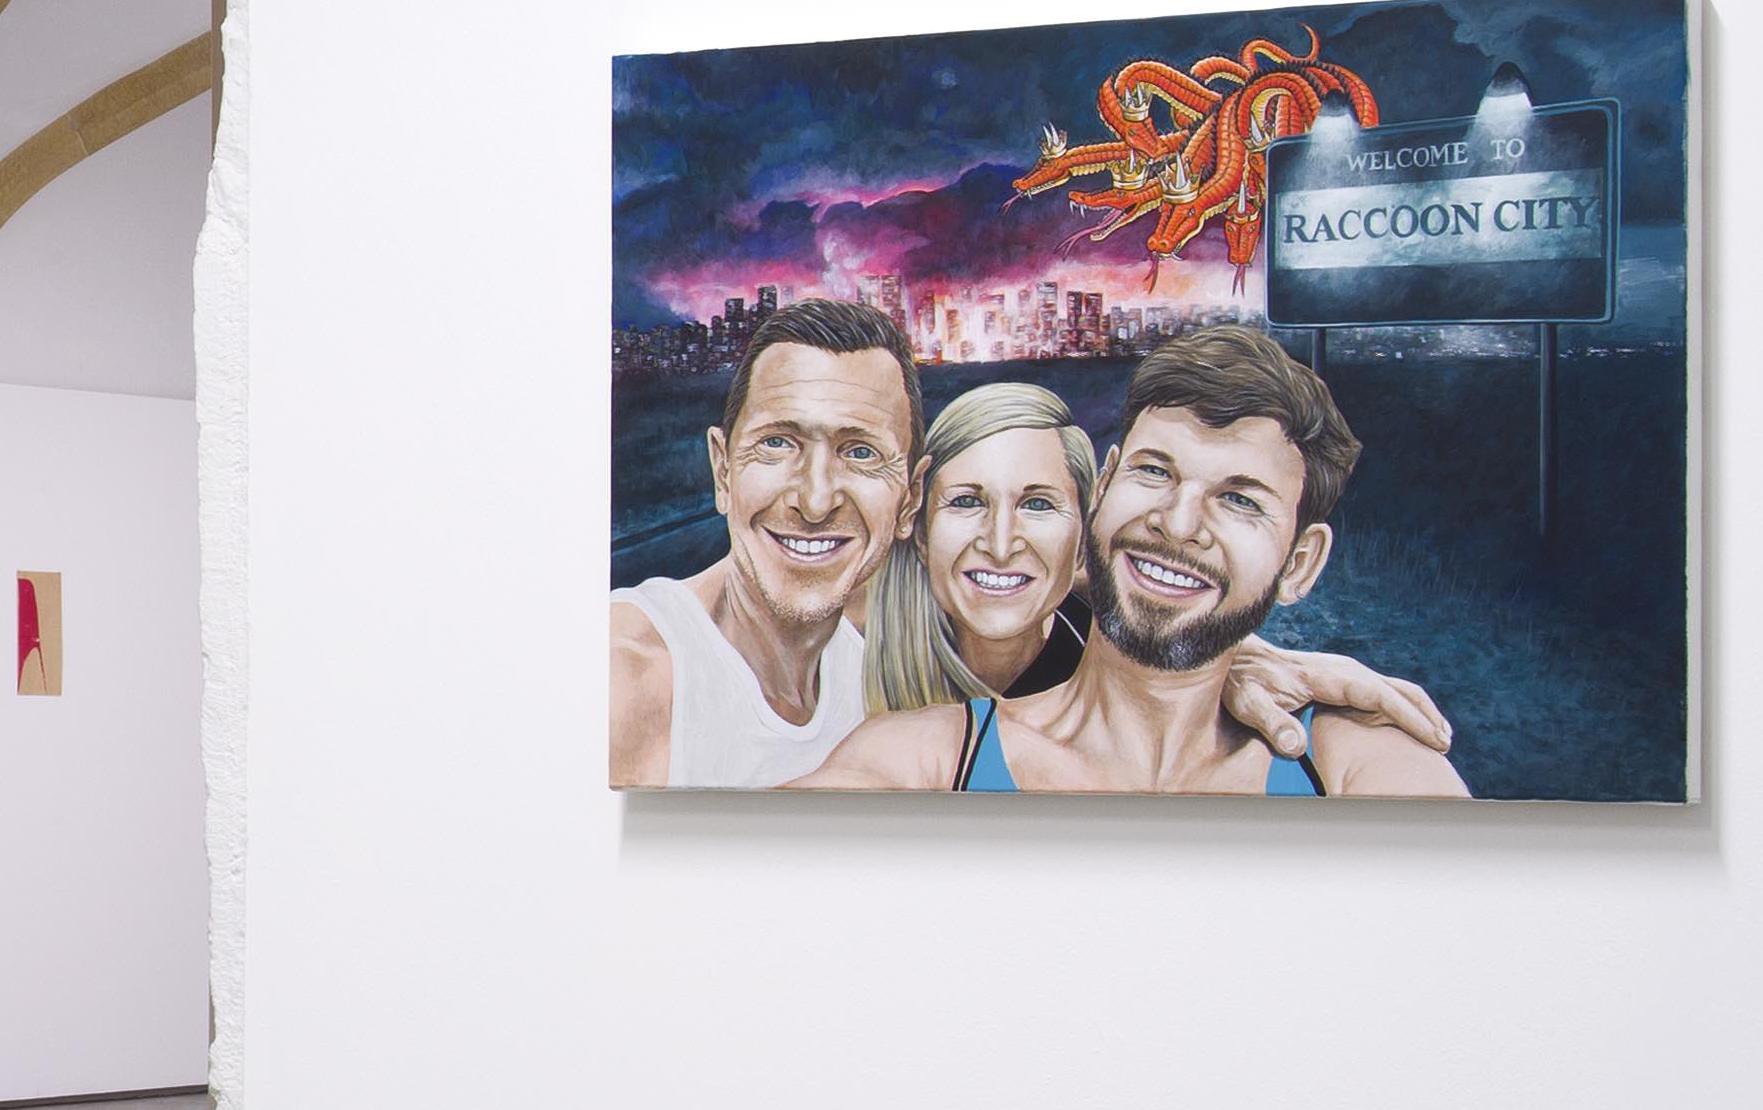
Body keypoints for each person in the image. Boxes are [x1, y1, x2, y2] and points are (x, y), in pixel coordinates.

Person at [807, 326, 1467, 795]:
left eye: (1238, 499)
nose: (1176, 524)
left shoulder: (1355, 767)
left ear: (1299, 563)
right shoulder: (924, 757)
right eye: (1154, 472)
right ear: (1105, 486)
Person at [607, 293, 913, 785]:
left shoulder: (880, 695)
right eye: (777, 443)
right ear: (723, 471)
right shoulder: (625, 673)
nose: (815, 501)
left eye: (860, 452)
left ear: (910, 500)